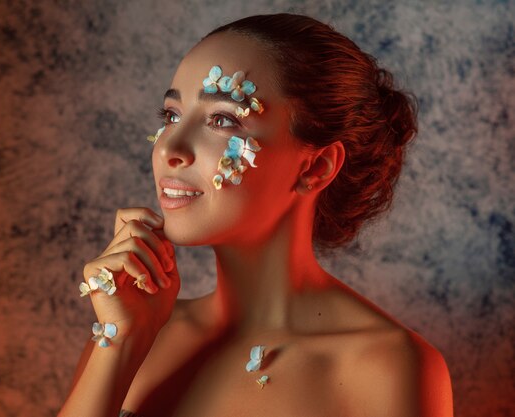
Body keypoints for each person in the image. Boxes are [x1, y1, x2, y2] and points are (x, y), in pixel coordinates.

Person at [58, 13, 453, 417]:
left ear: (315, 168)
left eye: (223, 120)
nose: (168, 148)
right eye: (172, 116)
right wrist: (120, 342)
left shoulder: (387, 365)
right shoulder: (132, 327)